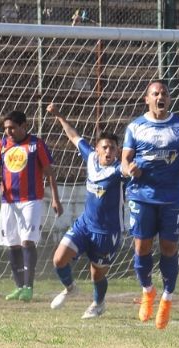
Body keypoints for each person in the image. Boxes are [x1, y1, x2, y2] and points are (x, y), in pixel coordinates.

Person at [121, 80, 179, 330]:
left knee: (168, 247)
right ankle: (148, 291)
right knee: (142, 246)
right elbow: (125, 161)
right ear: (147, 99)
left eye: (164, 93)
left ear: (169, 98)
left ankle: (167, 299)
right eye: (155, 94)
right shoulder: (135, 127)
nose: (160, 97)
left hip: (171, 196)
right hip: (141, 195)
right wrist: (129, 169)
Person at [46, 103, 126, 319]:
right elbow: (73, 136)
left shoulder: (120, 170)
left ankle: (99, 304)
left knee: (96, 274)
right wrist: (59, 115)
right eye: (105, 147)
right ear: (97, 149)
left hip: (107, 233)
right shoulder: (90, 157)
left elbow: (133, 171)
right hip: (85, 224)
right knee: (58, 259)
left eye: (112, 148)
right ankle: (70, 288)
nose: (108, 151)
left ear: (118, 151)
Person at [0, 110, 63, 302]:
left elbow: (49, 173)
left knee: (27, 241)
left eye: (12, 128)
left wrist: (56, 199)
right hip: (8, 201)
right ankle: (18, 286)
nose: (8, 132)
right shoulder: (2, 145)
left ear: (24, 126)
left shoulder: (35, 144)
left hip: (31, 200)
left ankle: (28, 287)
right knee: (12, 244)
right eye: (6, 128)